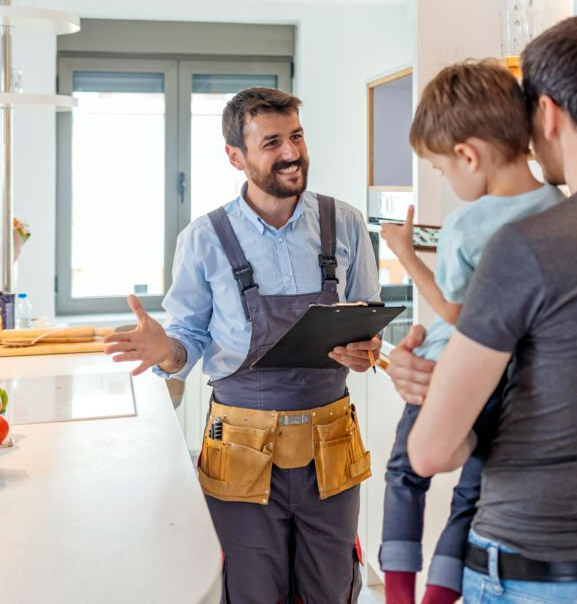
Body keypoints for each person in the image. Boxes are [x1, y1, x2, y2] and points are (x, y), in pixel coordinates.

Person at [390, 15, 577, 603]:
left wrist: (427, 387)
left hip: (535, 569)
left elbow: (432, 452)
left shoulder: (527, 248)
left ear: (550, 113)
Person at [104, 87, 381, 603]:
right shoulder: (204, 238)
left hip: (331, 445)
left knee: (332, 589)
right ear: (235, 156)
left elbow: (366, 319)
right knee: (251, 591)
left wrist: (366, 349)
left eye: (296, 136)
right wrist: (166, 349)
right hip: (240, 449)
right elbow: (186, 339)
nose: (292, 153)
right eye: (272, 142)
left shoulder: (344, 222)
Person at [378, 61, 564, 604]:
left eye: (439, 169)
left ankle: (397, 596)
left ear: (467, 155)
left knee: (405, 472)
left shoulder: (467, 219)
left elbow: (457, 313)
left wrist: (407, 257)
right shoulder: (558, 205)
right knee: (472, 493)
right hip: (513, 384)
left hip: (447, 371)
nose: (446, 181)